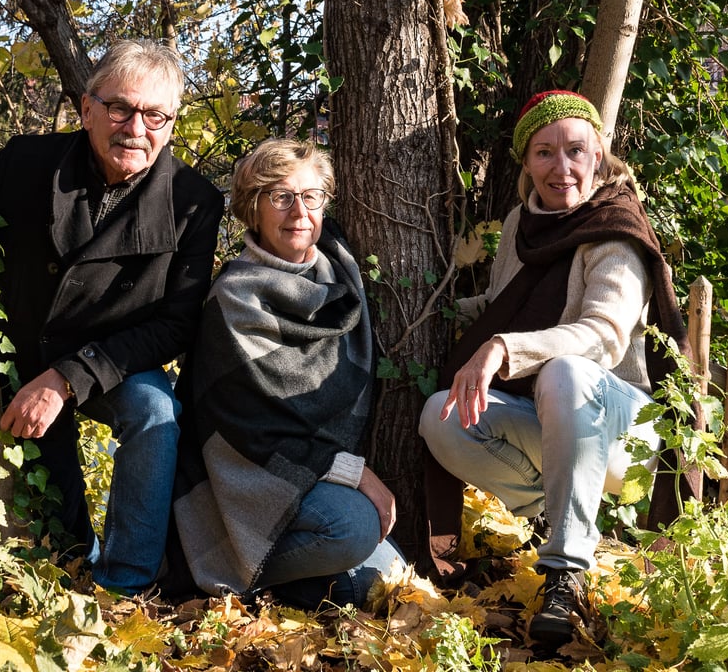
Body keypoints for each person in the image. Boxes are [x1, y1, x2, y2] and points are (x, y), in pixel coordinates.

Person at [419, 90, 694, 648]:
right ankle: (559, 514)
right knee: (439, 415)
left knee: (566, 372)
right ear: (525, 162)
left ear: (598, 154)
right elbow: (504, 302)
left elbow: (604, 335)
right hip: (546, 420)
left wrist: (501, 346)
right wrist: (431, 310)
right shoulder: (521, 224)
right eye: (544, 153)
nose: (561, 167)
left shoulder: (617, 230)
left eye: (575, 150)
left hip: (625, 429)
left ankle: (565, 573)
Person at [0, 39, 224, 596]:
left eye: (155, 114)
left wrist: (67, 379)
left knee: (157, 412)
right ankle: (73, 566)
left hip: (116, 362)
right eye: (120, 108)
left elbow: (176, 326)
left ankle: (125, 586)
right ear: (87, 110)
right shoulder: (27, 162)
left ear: (172, 124)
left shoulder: (195, 200)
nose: (136, 127)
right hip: (22, 350)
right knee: (56, 521)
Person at [168, 138, 404, 609]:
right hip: (242, 481)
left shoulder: (340, 279)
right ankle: (220, 573)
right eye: (281, 197)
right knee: (351, 531)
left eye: (311, 195)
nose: (299, 211)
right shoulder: (235, 298)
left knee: (388, 582)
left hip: (310, 480)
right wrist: (356, 474)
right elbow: (251, 433)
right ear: (254, 209)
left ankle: (288, 585)